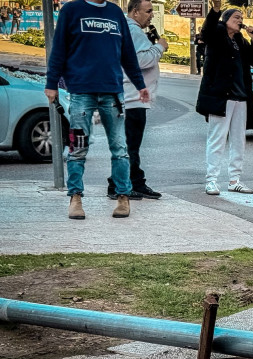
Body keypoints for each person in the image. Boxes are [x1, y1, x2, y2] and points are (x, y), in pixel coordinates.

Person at [45, 0, 149, 220]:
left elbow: (127, 53)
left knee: (120, 148)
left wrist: (140, 84)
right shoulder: (71, 10)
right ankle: (75, 198)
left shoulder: (115, 13)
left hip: (112, 93)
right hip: (82, 93)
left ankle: (123, 196)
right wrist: (51, 83)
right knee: (78, 148)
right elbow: (59, 49)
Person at [195, 0, 253, 195]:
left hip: (240, 98)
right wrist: (215, 10)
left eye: (242, 18)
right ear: (225, 20)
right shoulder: (217, 34)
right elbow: (207, 31)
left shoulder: (240, 41)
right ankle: (211, 180)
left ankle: (235, 180)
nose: (240, 20)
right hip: (221, 98)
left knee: (238, 140)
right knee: (217, 139)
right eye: (236, 17)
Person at [106, 0, 167, 200]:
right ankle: (118, 185)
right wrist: (159, 47)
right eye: (148, 11)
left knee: (129, 145)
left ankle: (134, 182)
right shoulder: (133, 31)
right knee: (130, 145)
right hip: (133, 97)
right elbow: (141, 61)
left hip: (131, 97)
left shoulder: (128, 29)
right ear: (134, 12)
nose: (151, 15)